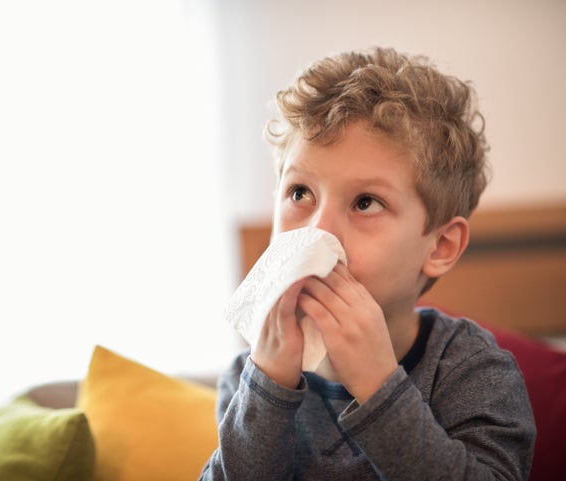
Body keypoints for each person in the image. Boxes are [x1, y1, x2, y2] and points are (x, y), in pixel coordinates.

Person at [199, 47, 536, 480]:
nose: (319, 231)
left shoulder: (471, 370)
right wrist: (267, 387)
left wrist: (379, 387)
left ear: (440, 247)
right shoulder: (249, 378)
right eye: (300, 193)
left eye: (365, 202)